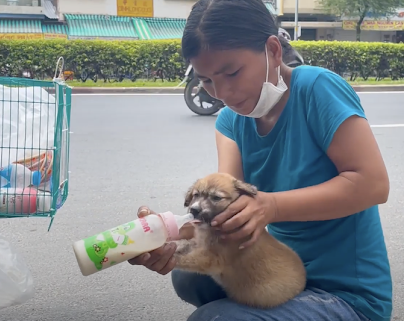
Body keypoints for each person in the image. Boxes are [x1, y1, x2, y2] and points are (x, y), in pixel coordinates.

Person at [128, 0, 393, 320]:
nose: (222, 93)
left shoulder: (316, 89)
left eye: (232, 72)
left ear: (273, 51)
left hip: (345, 294)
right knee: (187, 276)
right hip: (275, 275)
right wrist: (165, 235)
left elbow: (373, 185)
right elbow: (226, 216)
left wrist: (272, 206)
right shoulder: (230, 122)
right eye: (207, 80)